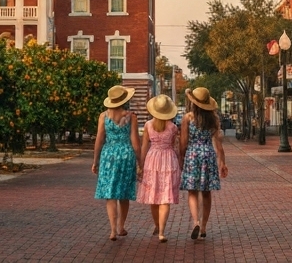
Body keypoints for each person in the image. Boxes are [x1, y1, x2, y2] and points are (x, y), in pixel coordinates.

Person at [179, 87, 228, 241]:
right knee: (206, 192)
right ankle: (204, 227)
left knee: (192, 191)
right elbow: (219, 145)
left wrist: (181, 158)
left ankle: (196, 221)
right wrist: (222, 163)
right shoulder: (214, 120)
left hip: (193, 155)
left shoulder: (188, 118)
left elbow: (183, 143)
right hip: (208, 154)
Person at [92, 84, 140, 241]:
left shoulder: (103, 116)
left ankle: (112, 230)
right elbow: (135, 141)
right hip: (126, 154)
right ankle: (121, 227)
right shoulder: (131, 116)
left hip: (109, 155)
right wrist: (140, 161)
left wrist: (95, 161)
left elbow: (99, 139)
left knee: (110, 194)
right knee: (124, 193)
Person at [137, 94, 181, 243]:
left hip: (152, 159)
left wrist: (141, 164)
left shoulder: (148, 125)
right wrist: (180, 163)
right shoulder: (173, 127)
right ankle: (162, 231)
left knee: (153, 198)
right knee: (165, 198)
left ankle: (157, 225)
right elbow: (175, 146)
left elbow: (144, 145)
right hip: (168, 159)